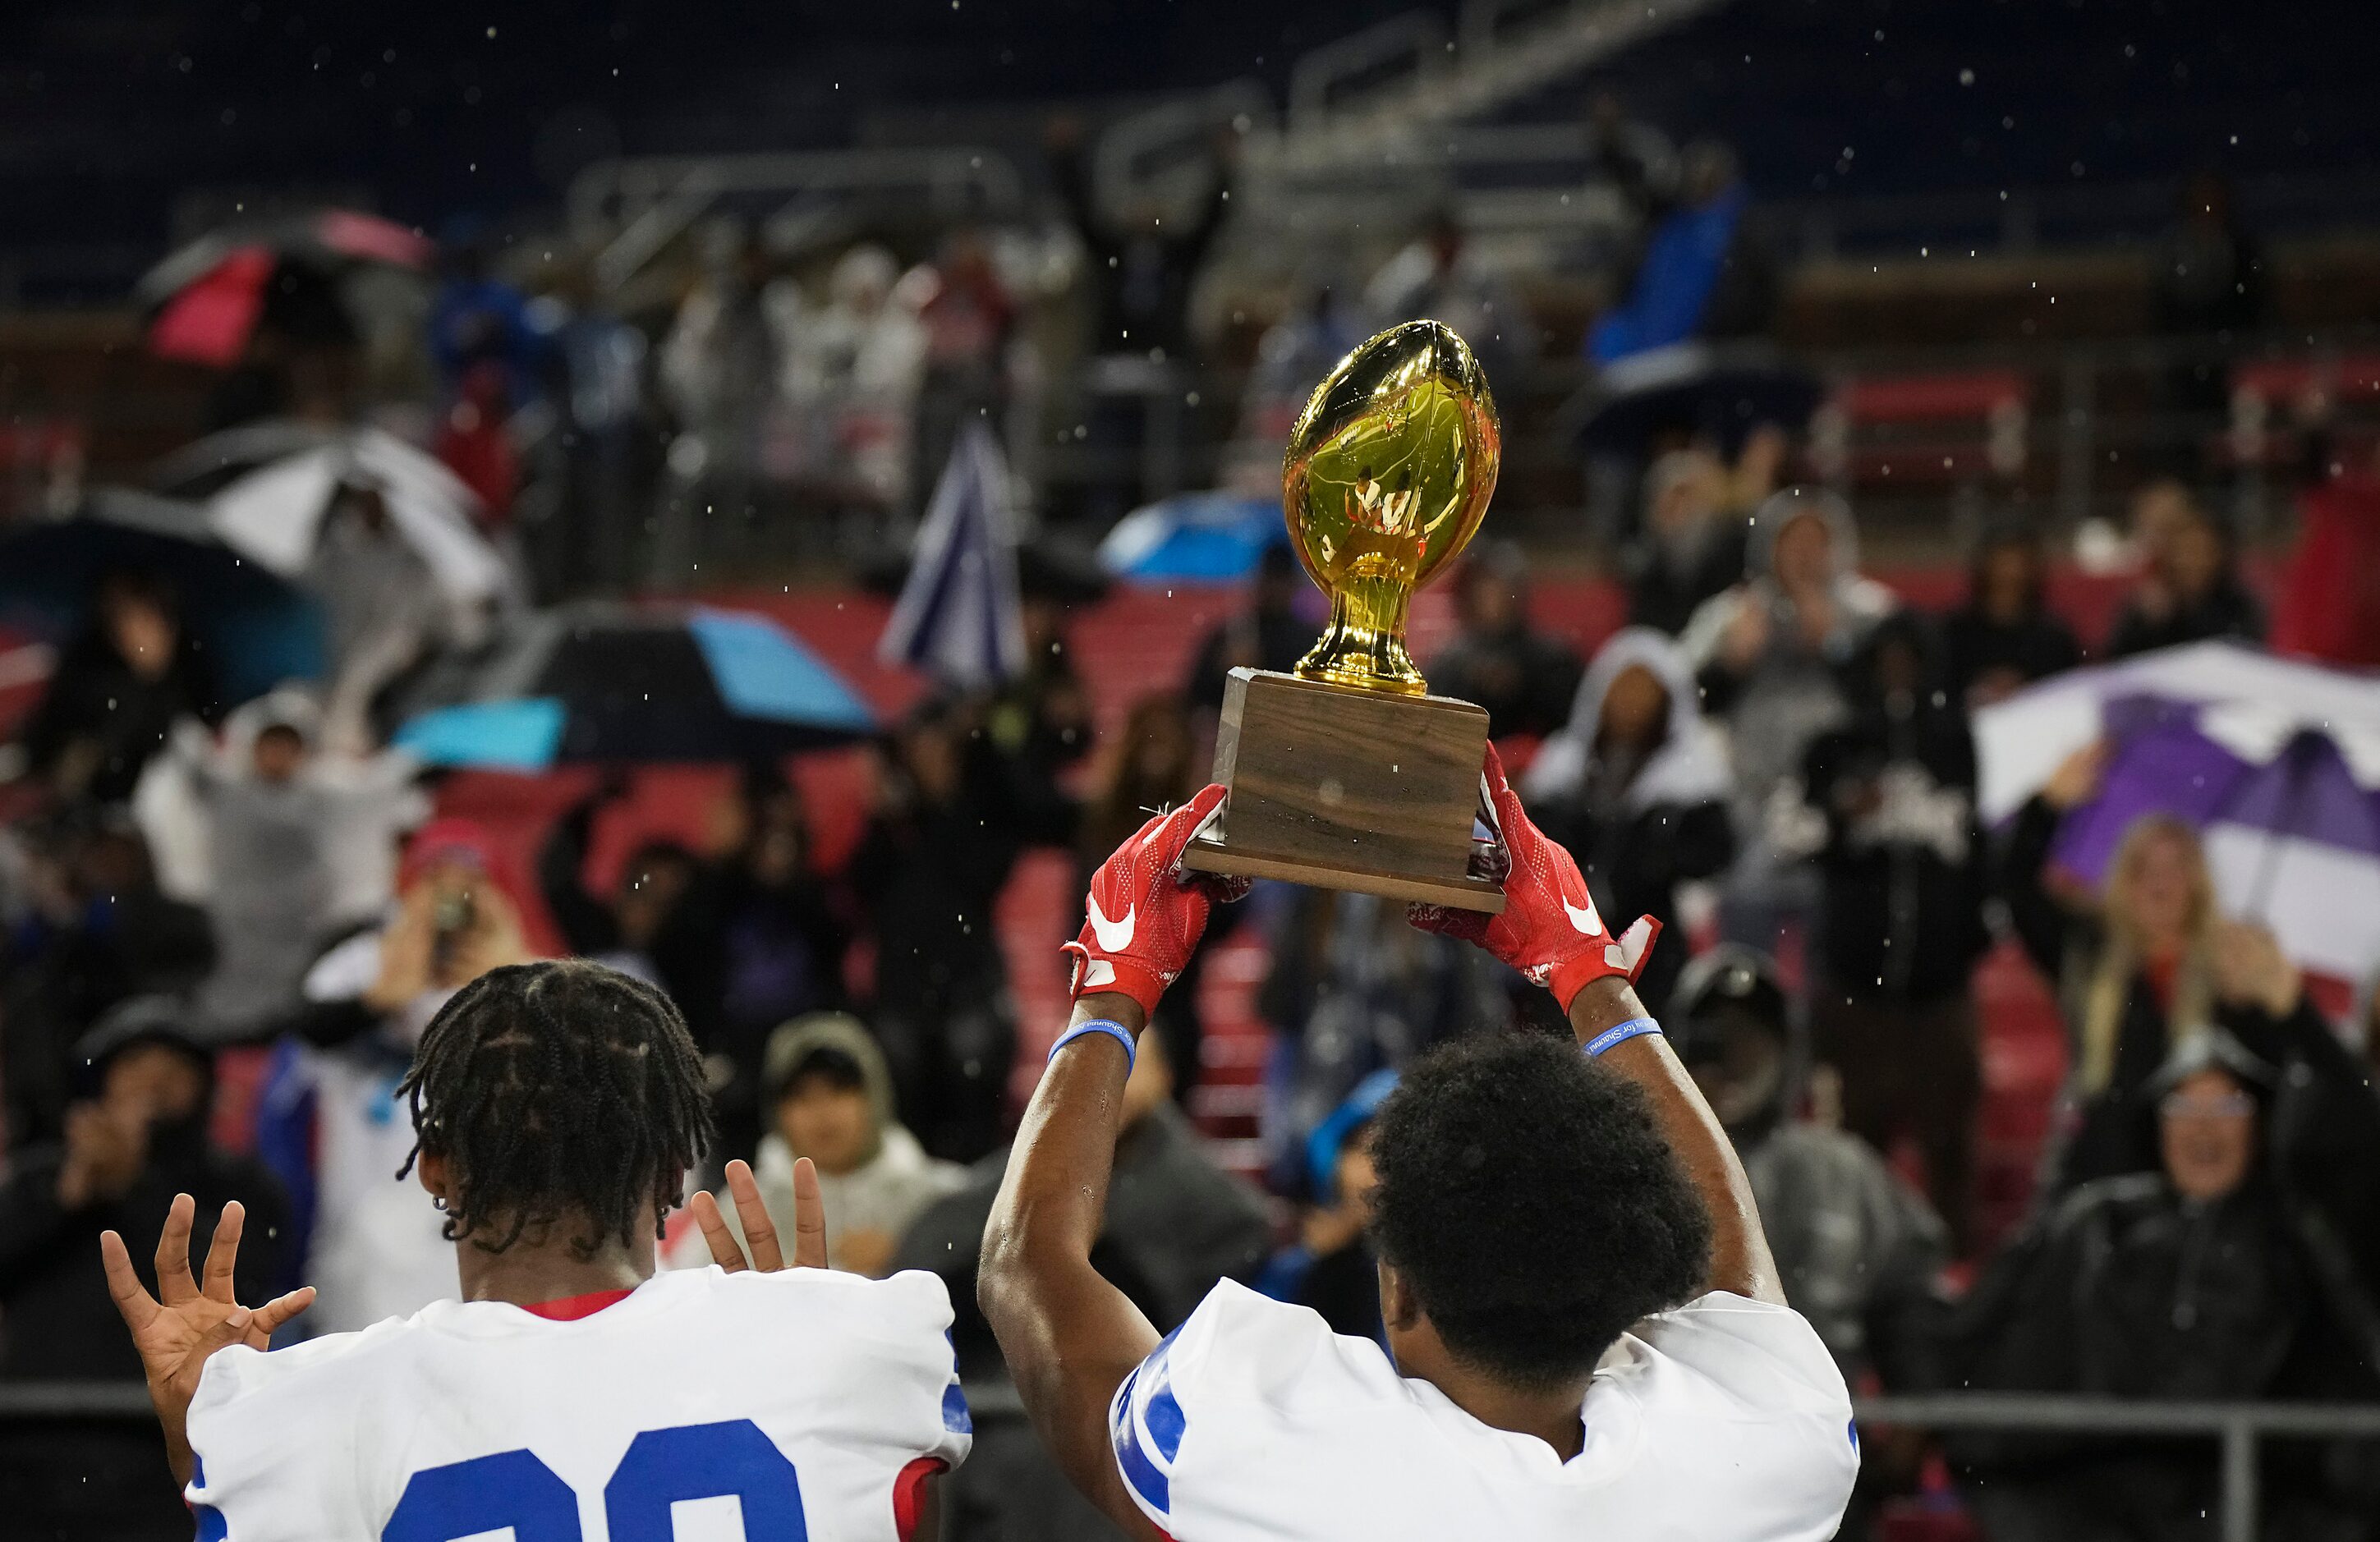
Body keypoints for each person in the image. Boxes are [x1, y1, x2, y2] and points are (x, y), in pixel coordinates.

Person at [979, 753, 1857, 1540]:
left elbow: (1025, 1267)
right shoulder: (1766, 1458)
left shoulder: (1282, 1461)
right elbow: (1737, 1285)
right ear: (1638, 1277)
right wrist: (1590, 973)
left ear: (1395, 1288)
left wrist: (1112, 988)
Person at [103, 959, 972, 1539]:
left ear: (433, 1167)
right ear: (673, 1167)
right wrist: (812, 1351)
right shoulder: (858, 1339)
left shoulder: (310, 1410)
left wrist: (212, 1439)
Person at [1948, 1034, 2376, 1541]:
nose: (2204, 1124)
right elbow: (1997, 1378)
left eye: (2228, 1104)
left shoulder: (2296, 1241)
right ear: (2157, 1121)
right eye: (2184, 1104)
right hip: (2095, 1510)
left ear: (2259, 1123)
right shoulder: (2094, 1226)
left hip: (2257, 1510)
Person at [893, 1012, 1269, 1542]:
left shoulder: (1218, 1209)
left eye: (1130, 1062)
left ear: (1165, 1076)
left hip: (1133, 1406)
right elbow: (934, 1252)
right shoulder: (996, 1186)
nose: (1109, 1078)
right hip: (997, 1392)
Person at [1998, 746, 2368, 1194]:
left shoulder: (2230, 969)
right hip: (2099, 1182)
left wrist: (2275, 1001)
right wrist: (2047, 807)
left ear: (2199, 883)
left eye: (2176, 868)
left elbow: (2304, 1082)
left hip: (2198, 1186)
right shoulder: (2086, 954)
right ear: (2121, 880)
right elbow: (2013, 887)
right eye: (2144, 867)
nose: (2160, 881)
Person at [0, 999, 288, 1536]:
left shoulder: (240, 1188)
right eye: (133, 1067)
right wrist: (69, 1194)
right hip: (30, 1439)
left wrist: (134, 1187)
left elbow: (243, 1288)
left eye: (173, 1071)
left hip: (164, 1451)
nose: (152, 1086)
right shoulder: (40, 1176)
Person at [1800, 614, 1992, 1249]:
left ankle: (1950, 1274)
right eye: (1885, 662)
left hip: (1940, 983)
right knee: (1855, 1148)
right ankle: (1849, 1272)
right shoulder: (1832, 744)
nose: (1897, 678)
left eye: (1910, 662)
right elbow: (1795, 835)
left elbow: (1973, 843)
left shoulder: (1954, 743)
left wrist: (1970, 934)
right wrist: (1844, 811)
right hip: (1856, 984)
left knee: (1950, 1148)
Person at [1520, 626, 1735, 1015]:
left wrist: (1656, 854)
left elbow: (1716, 852)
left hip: (1656, 951)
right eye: (1622, 688)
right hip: (1566, 949)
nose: (1632, 702)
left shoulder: (1689, 781)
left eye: (1645, 690)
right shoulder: (1562, 775)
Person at [850, 700, 1022, 1162]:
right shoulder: (892, 824)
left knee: (975, 1104)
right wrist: (883, 819)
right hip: (904, 992)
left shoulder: (978, 813)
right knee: (904, 1117)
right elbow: (861, 886)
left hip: (969, 986)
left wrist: (946, 805)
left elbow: (985, 875)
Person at [733, 1013, 967, 1278]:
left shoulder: (945, 1200)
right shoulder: (737, 1215)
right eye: (800, 1095)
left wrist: (909, 1253)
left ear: (875, 1096)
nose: (822, 1111)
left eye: (839, 1089)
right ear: (776, 1113)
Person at [17, 570, 219, 806]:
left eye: (143, 618)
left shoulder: (197, 670)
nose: (130, 632)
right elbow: (53, 732)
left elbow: (210, 737)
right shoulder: (88, 672)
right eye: (117, 619)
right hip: (90, 806)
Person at [1587, 139, 1776, 366]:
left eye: (1711, 177)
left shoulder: (1743, 231)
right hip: (1647, 352)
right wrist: (1609, 146)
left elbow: (1753, 297)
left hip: (1711, 354)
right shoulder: (1670, 219)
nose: (1702, 183)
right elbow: (1634, 187)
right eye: (1697, 174)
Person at [1252, 1069, 1395, 1346]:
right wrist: (1320, 1262)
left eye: (1387, 1152)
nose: (1370, 1169)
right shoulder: (1296, 1268)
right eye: (1359, 1148)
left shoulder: (1434, 1279)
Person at [1422, 540, 1583, 741]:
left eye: (1500, 586)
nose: (1492, 596)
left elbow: (1569, 726)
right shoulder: (1450, 661)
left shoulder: (1553, 658)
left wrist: (1519, 683)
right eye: (1484, 587)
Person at [2103, 483, 2265, 657]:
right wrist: (2150, 622)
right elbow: (2117, 662)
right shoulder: (2147, 606)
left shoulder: (2239, 606)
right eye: (2185, 551)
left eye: (2203, 551)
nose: (2194, 561)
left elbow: (2244, 654)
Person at [1940, 516, 2082, 709]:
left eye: (2019, 562)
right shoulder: (1952, 633)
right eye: (2002, 562)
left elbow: (2070, 698)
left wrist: (2024, 693)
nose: (2010, 573)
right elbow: (1937, 700)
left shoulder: (2054, 638)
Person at [1624, 447, 1745, 636]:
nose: (1680, 510)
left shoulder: (1731, 556)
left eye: (1687, 497)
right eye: (1671, 500)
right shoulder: (1647, 568)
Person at [1183, 541, 1312, 713]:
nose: (1275, 589)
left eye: (1280, 582)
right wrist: (1224, 671)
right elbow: (1196, 696)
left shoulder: (1308, 638)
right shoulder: (1234, 634)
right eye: (1270, 581)